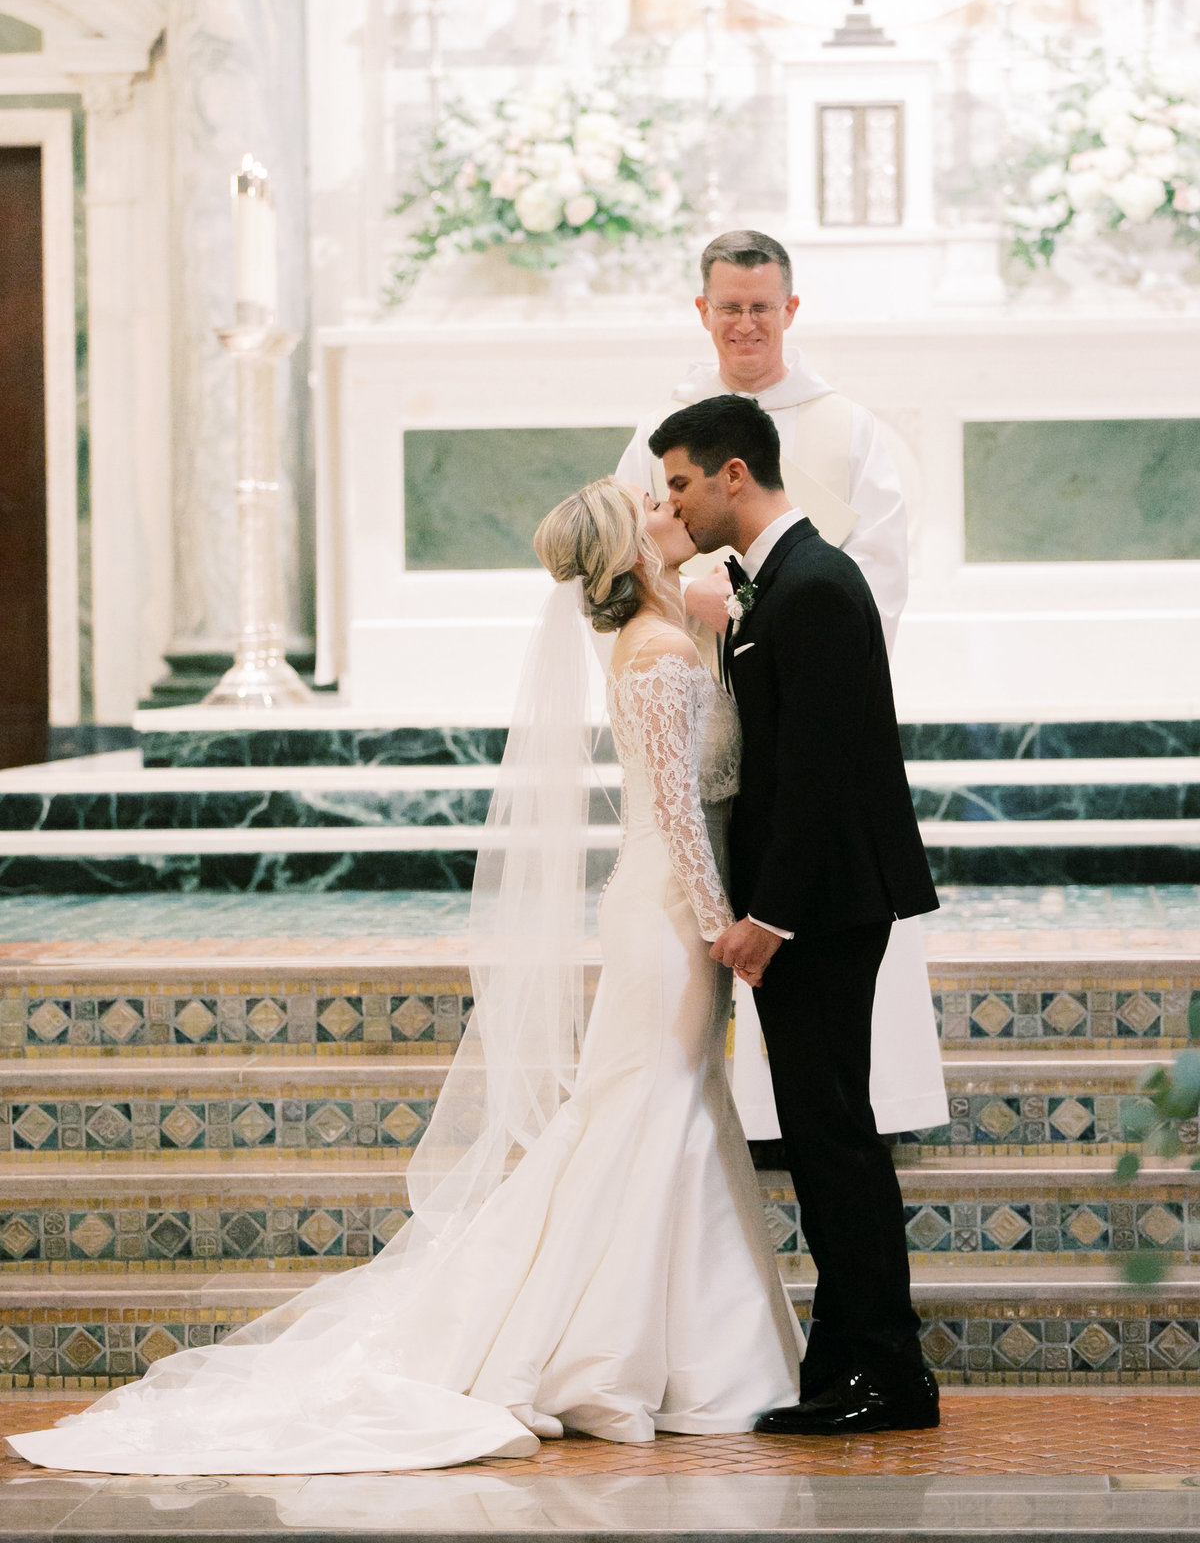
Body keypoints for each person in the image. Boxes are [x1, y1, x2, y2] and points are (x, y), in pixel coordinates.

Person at [9, 479, 798, 1476]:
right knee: (652, 1110)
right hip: (671, 914)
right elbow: (682, 810)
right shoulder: (653, 653)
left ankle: (670, 1345)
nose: (668, 505)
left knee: (667, 1109)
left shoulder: (673, 629)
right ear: (630, 550)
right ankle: (602, 1351)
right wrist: (724, 924)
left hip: (675, 909)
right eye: (652, 503)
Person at [649, 393, 940, 1435]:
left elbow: (818, 775)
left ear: (735, 475)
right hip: (818, 906)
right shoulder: (779, 584)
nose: (671, 501)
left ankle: (887, 1374)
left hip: (820, 909)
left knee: (837, 1140)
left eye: (680, 480)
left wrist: (767, 919)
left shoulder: (813, 584)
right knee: (825, 1137)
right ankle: (845, 1358)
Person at [618, 227, 947, 1145]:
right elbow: (621, 561)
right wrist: (686, 606)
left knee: (819, 946)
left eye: (764, 306)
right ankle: (747, 1126)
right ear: (704, 311)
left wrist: (771, 635)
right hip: (710, 712)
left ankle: (854, 1115)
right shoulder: (663, 430)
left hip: (808, 718)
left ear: (790, 310)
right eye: (731, 307)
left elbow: (876, 571)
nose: (748, 323)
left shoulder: (848, 426)